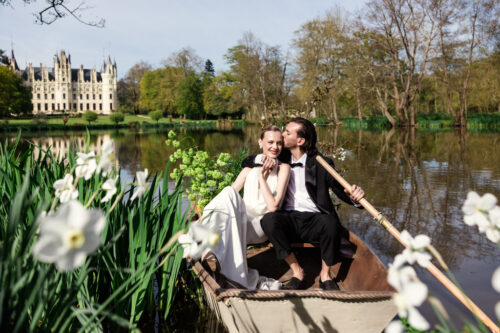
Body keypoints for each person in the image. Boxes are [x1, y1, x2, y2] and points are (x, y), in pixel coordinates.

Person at [244, 117, 365, 291]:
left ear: (300, 140)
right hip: (289, 218)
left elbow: (341, 190)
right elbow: (246, 161)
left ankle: (325, 275)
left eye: (287, 133)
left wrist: (355, 198)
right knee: (269, 220)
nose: (282, 136)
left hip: (315, 219)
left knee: (330, 222)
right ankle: (297, 271)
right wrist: (261, 158)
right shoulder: (281, 157)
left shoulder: (323, 163)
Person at [199, 125, 290, 289]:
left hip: (260, 226)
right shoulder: (248, 170)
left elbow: (273, 206)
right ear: (260, 142)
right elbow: (228, 199)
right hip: (240, 219)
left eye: (279, 143)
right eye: (270, 142)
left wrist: (263, 177)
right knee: (228, 192)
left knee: (229, 202)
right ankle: (213, 249)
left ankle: (212, 249)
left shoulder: (284, 168)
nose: (275, 147)